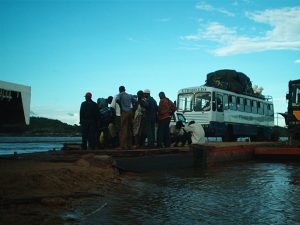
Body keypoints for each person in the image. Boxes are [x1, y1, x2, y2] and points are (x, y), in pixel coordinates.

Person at [115, 85, 136, 150]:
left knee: (123, 129)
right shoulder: (129, 95)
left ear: (119, 90)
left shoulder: (120, 94)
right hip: (130, 112)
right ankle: (129, 145)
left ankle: (123, 146)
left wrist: (121, 107)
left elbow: (117, 100)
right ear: (125, 89)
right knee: (129, 129)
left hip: (124, 112)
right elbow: (136, 101)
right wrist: (133, 109)